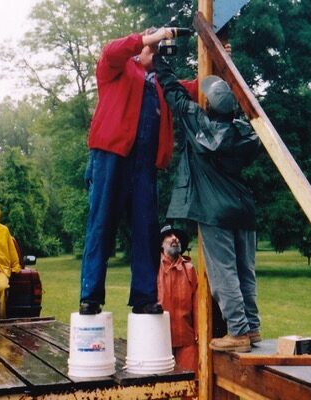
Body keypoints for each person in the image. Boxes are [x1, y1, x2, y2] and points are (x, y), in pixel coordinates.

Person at [79, 27, 199, 315]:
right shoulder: (118, 68)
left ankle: (144, 297)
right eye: (151, 46)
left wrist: (219, 62)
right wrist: (150, 38)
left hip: (144, 164)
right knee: (101, 225)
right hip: (110, 156)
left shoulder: (160, 83)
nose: (155, 51)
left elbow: (195, 88)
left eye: (158, 48)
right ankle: (90, 296)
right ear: (141, 45)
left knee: (146, 230)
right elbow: (111, 50)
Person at [153, 55, 262, 352]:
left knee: (223, 272)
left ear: (209, 107)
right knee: (245, 271)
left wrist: (160, 61)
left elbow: (174, 94)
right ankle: (252, 327)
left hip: (215, 210)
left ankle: (238, 332)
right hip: (244, 207)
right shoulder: (245, 132)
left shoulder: (199, 124)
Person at [158, 224, 198, 373]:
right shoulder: (152, 268)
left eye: (176, 236)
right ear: (161, 244)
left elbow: (197, 305)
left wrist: (199, 331)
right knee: (159, 382)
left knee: (190, 380)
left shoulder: (190, 269)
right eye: (169, 235)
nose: (174, 238)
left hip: (186, 339)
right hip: (159, 339)